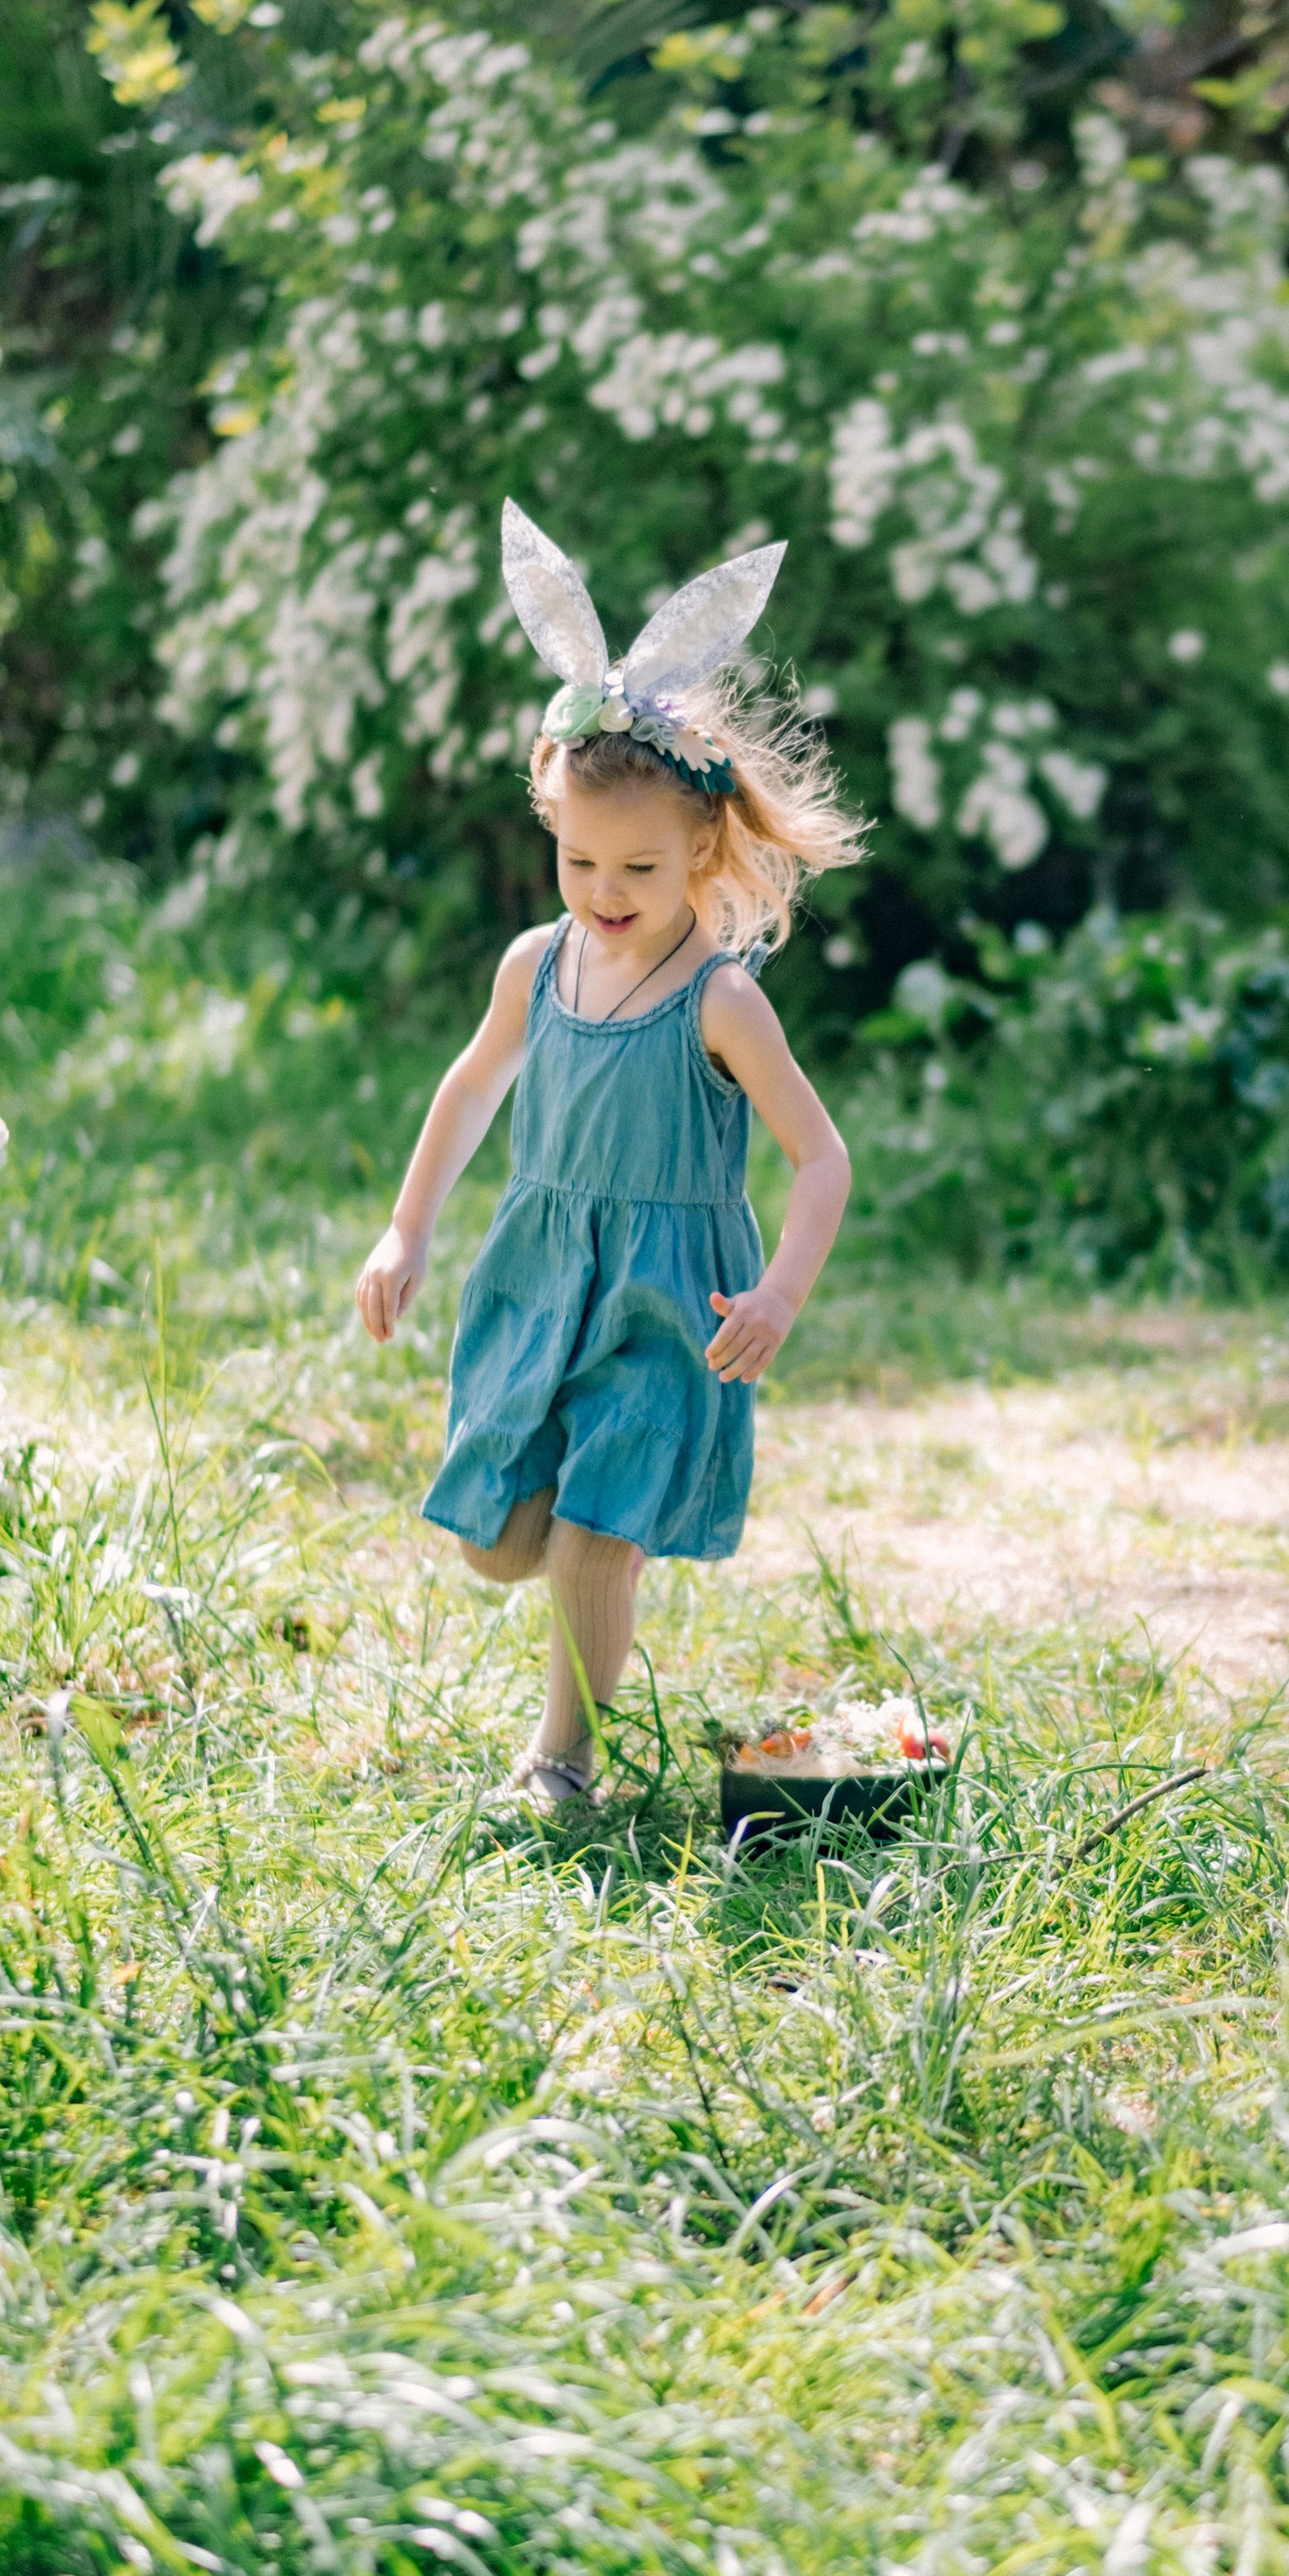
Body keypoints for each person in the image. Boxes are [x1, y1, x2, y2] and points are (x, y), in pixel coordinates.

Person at [354, 501, 862, 1806]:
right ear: (549, 824)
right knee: (499, 1544)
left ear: (705, 849)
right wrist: (406, 1230)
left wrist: (781, 1294)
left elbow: (820, 1160)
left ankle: (560, 1763)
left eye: (640, 863)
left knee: (592, 1539)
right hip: (542, 1276)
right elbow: (471, 1090)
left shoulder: (722, 1001)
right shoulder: (538, 963)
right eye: (579, 858)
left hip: (665, 1300)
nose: (606, 889)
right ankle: (576, 1598)